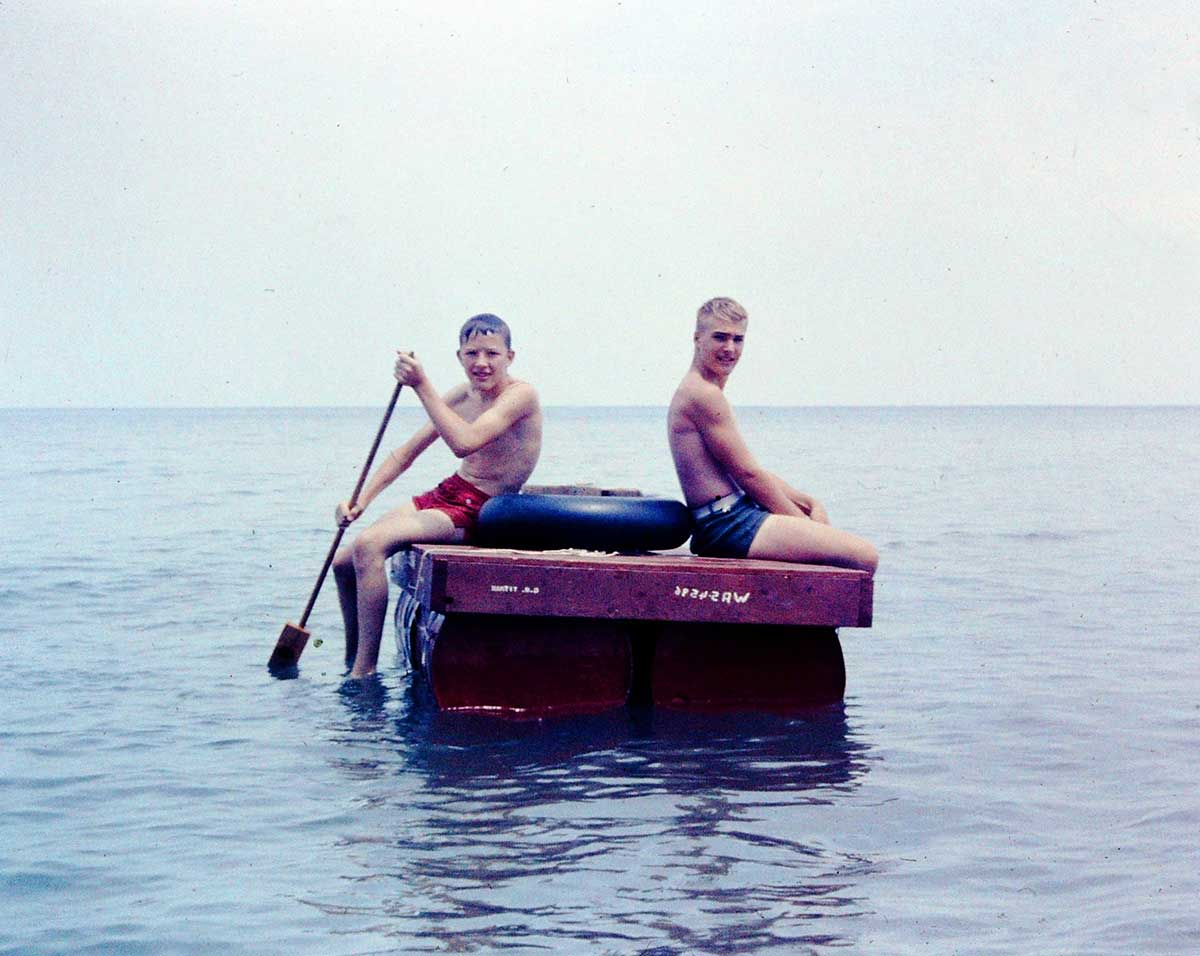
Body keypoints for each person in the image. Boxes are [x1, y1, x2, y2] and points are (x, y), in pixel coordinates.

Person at [333, 314, 542, 678]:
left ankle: (364, 673)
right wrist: (361, 502)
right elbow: (405, 453)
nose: (481, 363)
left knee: (370, 546)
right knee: (342, 562)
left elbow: (465, 442)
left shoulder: (520, 396)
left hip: (483, 507)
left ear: (510, 356)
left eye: (492, 353)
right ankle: (351, 659)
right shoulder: (462, 394)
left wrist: (421, 384)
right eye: (472, 353)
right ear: (459, 356)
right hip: (450, 491)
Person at [667, 297, 878, 572]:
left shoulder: (705, 390)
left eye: (738, 339)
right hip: (726, 524)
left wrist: (806, 501)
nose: (729, 348)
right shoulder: (703, 394)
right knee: (865, 556)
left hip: (731, 516)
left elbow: (746, 469)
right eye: (720, 337)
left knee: (819, 528)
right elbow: (748, 475)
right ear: (697, 338)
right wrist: (802, 524)